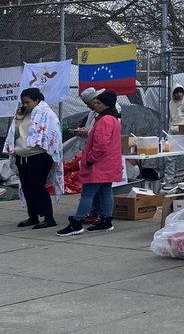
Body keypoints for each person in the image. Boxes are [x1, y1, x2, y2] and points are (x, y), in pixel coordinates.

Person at [59, 90, 123, 235]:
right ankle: (106, 220)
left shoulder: (105, 120)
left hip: (99, 165)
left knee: (87, 194)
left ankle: (77, 222)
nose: (95, 105)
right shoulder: (113, 119)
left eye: (98, 103)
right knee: (106, 192)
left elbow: (100, 145)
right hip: (109, 164)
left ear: (105, 105)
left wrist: (89, 160)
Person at [3, 87, 64, 229]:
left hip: (39, 156)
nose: (24, 105)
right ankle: (33, 216)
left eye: (27, 102)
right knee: (27, 187)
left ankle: (48, 217)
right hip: (22, 157)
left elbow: (53, 135)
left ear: (37, 101)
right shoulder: (21, 115)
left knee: (37, 187)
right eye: (23, 102)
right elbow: (14, 134)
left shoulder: (47, 114)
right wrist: (18, 121)